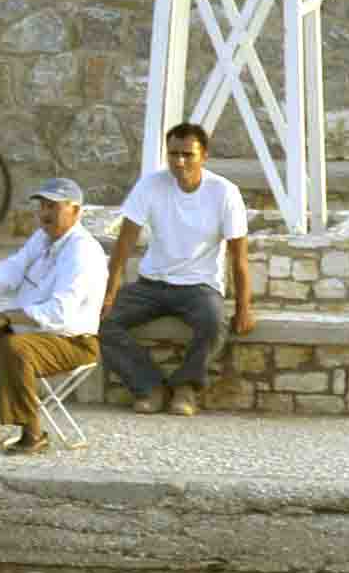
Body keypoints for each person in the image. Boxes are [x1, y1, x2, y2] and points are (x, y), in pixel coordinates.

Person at [0, 178, 107, 456]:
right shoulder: (42, 238)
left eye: (53, 206)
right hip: (29, 332)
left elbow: (60, 311)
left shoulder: (83, 252)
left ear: (76, 211)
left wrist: (4, 317)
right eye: (41, 206)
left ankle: (33, 433)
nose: (45, 213)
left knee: (14, 348)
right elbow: (14, 268)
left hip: (73, 341)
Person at [97, 122, 254, 417]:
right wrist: (109, 293)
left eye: (187, 155)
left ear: (203, 155)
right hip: (152, 283)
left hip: (199, 287)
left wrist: (245, 306)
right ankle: (150, 387)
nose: (179, 162)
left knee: (213, 322)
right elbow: (124, 243)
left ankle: (186, 388)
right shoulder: (151, 185)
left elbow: (239, 257)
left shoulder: (224, 193)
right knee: (100, 321)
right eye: (173, 154)